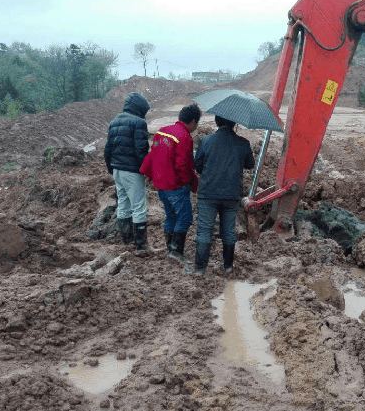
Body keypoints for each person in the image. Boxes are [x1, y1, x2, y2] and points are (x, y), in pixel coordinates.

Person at [190, 115, 254, 275]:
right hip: (232, 195)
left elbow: (197, 165)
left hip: (208, 193)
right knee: (228, 232)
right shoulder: (243, 143)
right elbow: (250, 164)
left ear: (217, 122)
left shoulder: (206, 141)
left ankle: (199, 269)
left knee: (205, 231)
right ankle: (228, 266)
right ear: (234, 123)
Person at [140, 104, 201, 261]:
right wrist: (189, 182)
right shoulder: (185, 137)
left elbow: (153, 154)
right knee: (185, 217)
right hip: (175, 185)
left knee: (171, 216)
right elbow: (183, 165)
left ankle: (170, 249)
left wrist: (149, 174)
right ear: (193, 121)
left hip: (160, 183)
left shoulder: (162, 131)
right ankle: (175, 252)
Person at [104, 92, 151, 250]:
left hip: (117, 169)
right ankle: (141, 246)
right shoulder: (139, 123)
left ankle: (127, 241)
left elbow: (108, 149)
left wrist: (111, 169)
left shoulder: (114, 121)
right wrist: (146, 170)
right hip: (132, 171)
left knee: (123, 205)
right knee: (139, 206)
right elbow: (141, 151)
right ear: (140, 109)